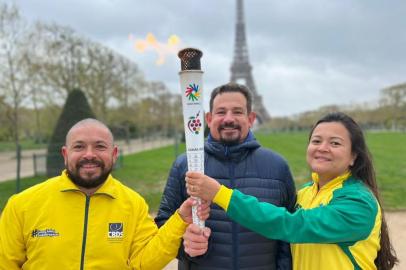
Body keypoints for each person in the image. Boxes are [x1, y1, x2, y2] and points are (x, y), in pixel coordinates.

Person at [186, 112, 399, 270]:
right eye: (316, 141)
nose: (322, 148)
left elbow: (289, 224)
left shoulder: (358, 202)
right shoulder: (306, 192)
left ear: (354, 156)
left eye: (335, 143)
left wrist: (220, 194)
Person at [0, 118, 210, 270]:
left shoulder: (133, 204)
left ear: (114, 153)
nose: (89, 154)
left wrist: (180, 219)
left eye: (100, 146)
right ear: (65, 154)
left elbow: (145, 262)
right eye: (79, 146)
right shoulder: (22, 205)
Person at [155, 83, 296, 269]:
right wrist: (185, 245)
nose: (228, 119)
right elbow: (162, 224)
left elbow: (288, 233)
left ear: (251, 118)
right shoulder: (184, 165)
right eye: (221, 112)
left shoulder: (278, 166)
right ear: (209, 118)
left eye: (237, 112)